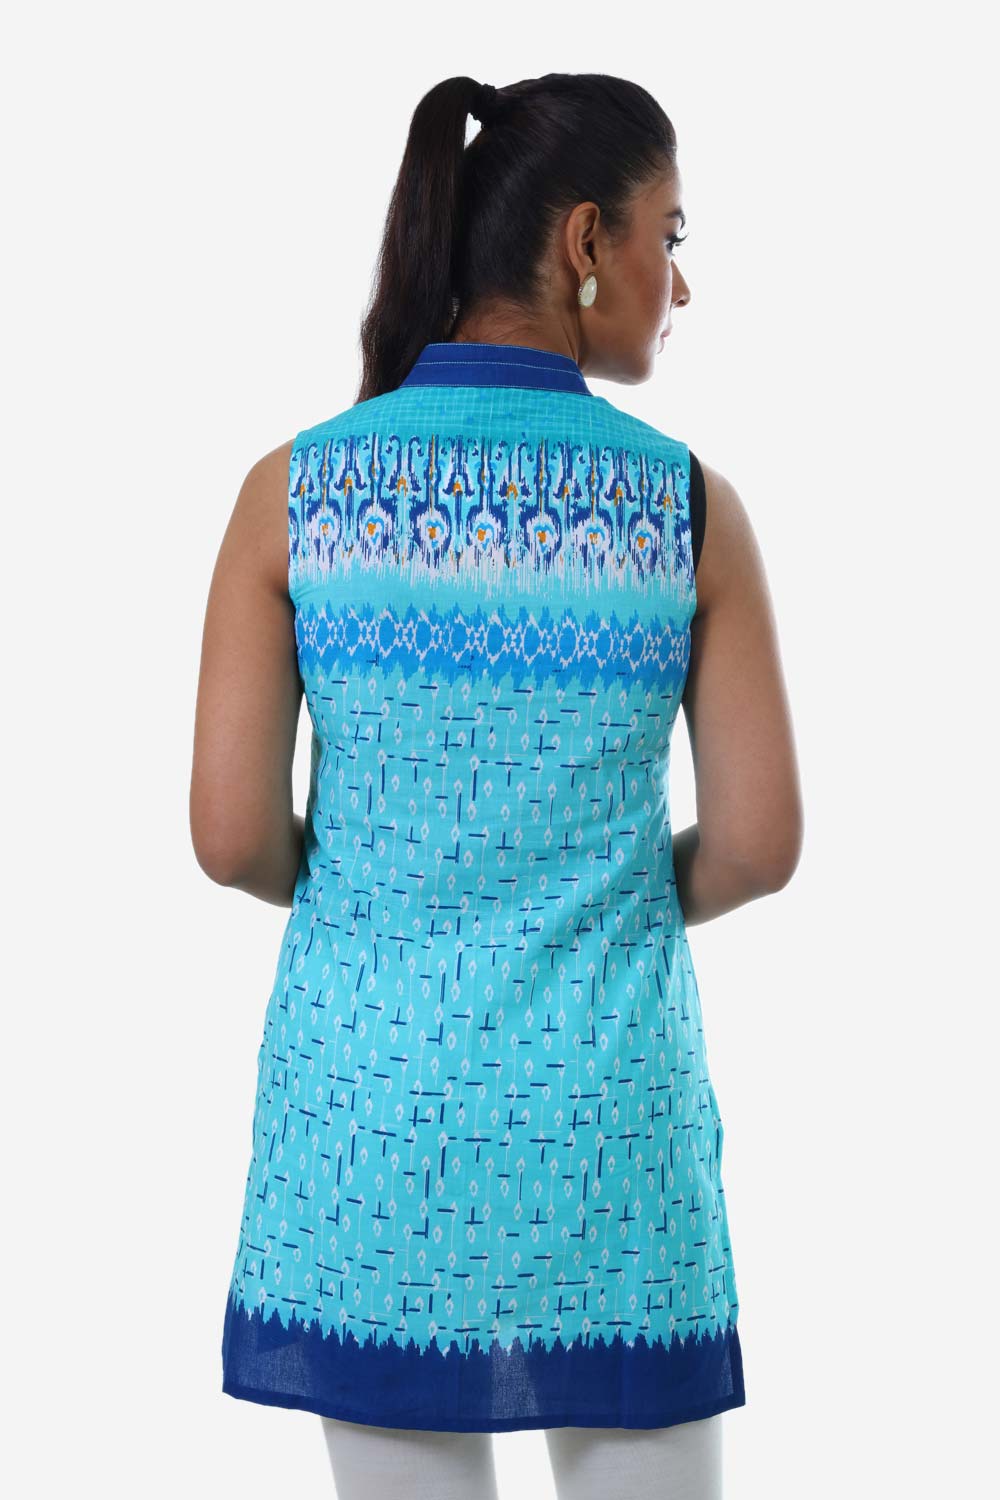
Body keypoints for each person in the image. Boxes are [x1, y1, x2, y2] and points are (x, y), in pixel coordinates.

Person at [191, 71, 803, 1500]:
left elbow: (228, 836)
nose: (680, 283)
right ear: (587, 240)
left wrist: (384, 883)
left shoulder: (294, 493)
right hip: (608, 1131)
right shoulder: (684, 509)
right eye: (670, 235)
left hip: (372, 1127)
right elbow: (759, 844)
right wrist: (592, 895)